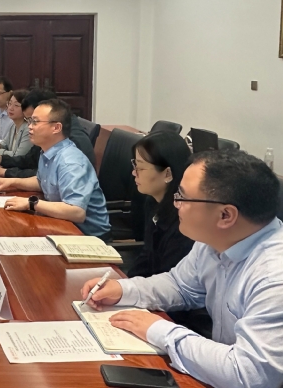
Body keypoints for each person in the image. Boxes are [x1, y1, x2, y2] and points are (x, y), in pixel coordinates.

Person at [82, 150, 283, 388]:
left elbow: (249, 374)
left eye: (183, 198)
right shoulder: (215, 240)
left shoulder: (273, 277)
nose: (175, 204)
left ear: (225, 215)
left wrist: (159, 330)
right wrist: (123, 290)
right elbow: (180, 285)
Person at [128, 131, 212, 337]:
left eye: (140, 167)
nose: (134, 173)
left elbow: (179, 288)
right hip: (157, 297)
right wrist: (125, 287)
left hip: (179, 318)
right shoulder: (152, 202)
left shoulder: (185, 220)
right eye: (134, 165)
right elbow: (147, 255)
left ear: (167, 173)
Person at [0, 98, 111, 239]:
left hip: (87, 236)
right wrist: (12, 182)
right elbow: (43, 181)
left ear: (56, 128)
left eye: (35, 122)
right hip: (61, 224)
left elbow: (76, 212)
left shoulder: (70, 162)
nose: (29, 127)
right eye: (30, 121)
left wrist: (31, 203)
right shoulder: (48, 150)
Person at [0, 89, 95, 178]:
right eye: (29, 120)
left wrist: (5, 172)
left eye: (34, 120)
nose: (29, 126)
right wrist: (1, 159)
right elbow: (30, 160)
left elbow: (43, 176)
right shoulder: (49, 134)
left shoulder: (73, 143)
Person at [0, 89, 32, 157]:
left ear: (26, 109)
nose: (10, 108)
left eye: (16, 105)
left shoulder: (28, 129)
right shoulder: (14, 126)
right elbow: (5, 144)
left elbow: (18, 156)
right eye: (9, 104)